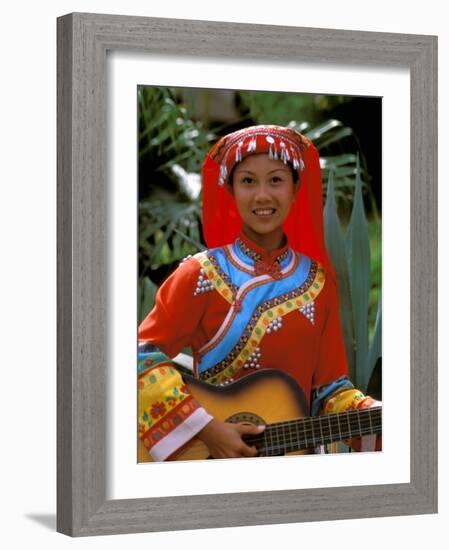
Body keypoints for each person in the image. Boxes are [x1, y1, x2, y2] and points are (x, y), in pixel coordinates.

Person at [138, 124, 381, 461]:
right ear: (231, 190)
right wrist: (206, 429)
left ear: (296, 188)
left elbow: (330, 391)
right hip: (212, 462)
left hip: (296, 463)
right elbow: (137, 357)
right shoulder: (199, 275)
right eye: (248, 181)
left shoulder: (317, 282)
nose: (262, 195)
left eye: (276, 180)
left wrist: (377, 415)